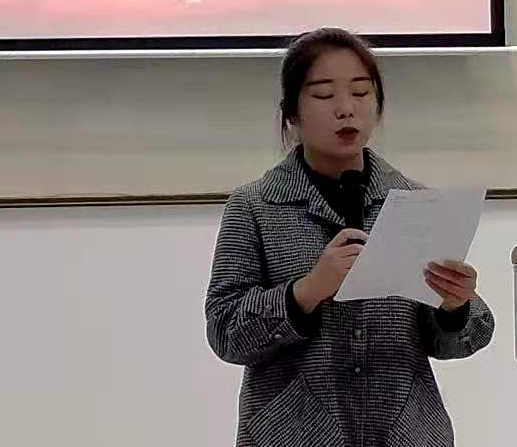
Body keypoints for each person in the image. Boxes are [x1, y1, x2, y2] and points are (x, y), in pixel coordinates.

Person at [204, 27, 493, 447]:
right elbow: (225, 332)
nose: (346, 109)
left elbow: (459, 340)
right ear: (292, 112)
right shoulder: (254, 206)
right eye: (324, 95)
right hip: (291, 435)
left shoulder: (416, 203)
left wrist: (455, 306)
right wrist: (305, 292)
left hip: (405, 433)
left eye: (361, 92)